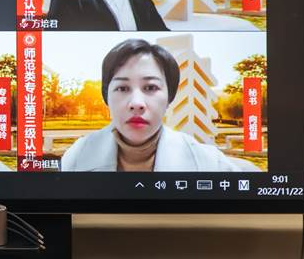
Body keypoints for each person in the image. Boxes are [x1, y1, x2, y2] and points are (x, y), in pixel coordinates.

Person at [60, 39, 255, 172]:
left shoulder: (209, 163)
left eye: (150, 87)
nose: (137, 104)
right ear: (106, 96)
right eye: (122, 88)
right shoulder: (76, 157)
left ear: (170, 96)